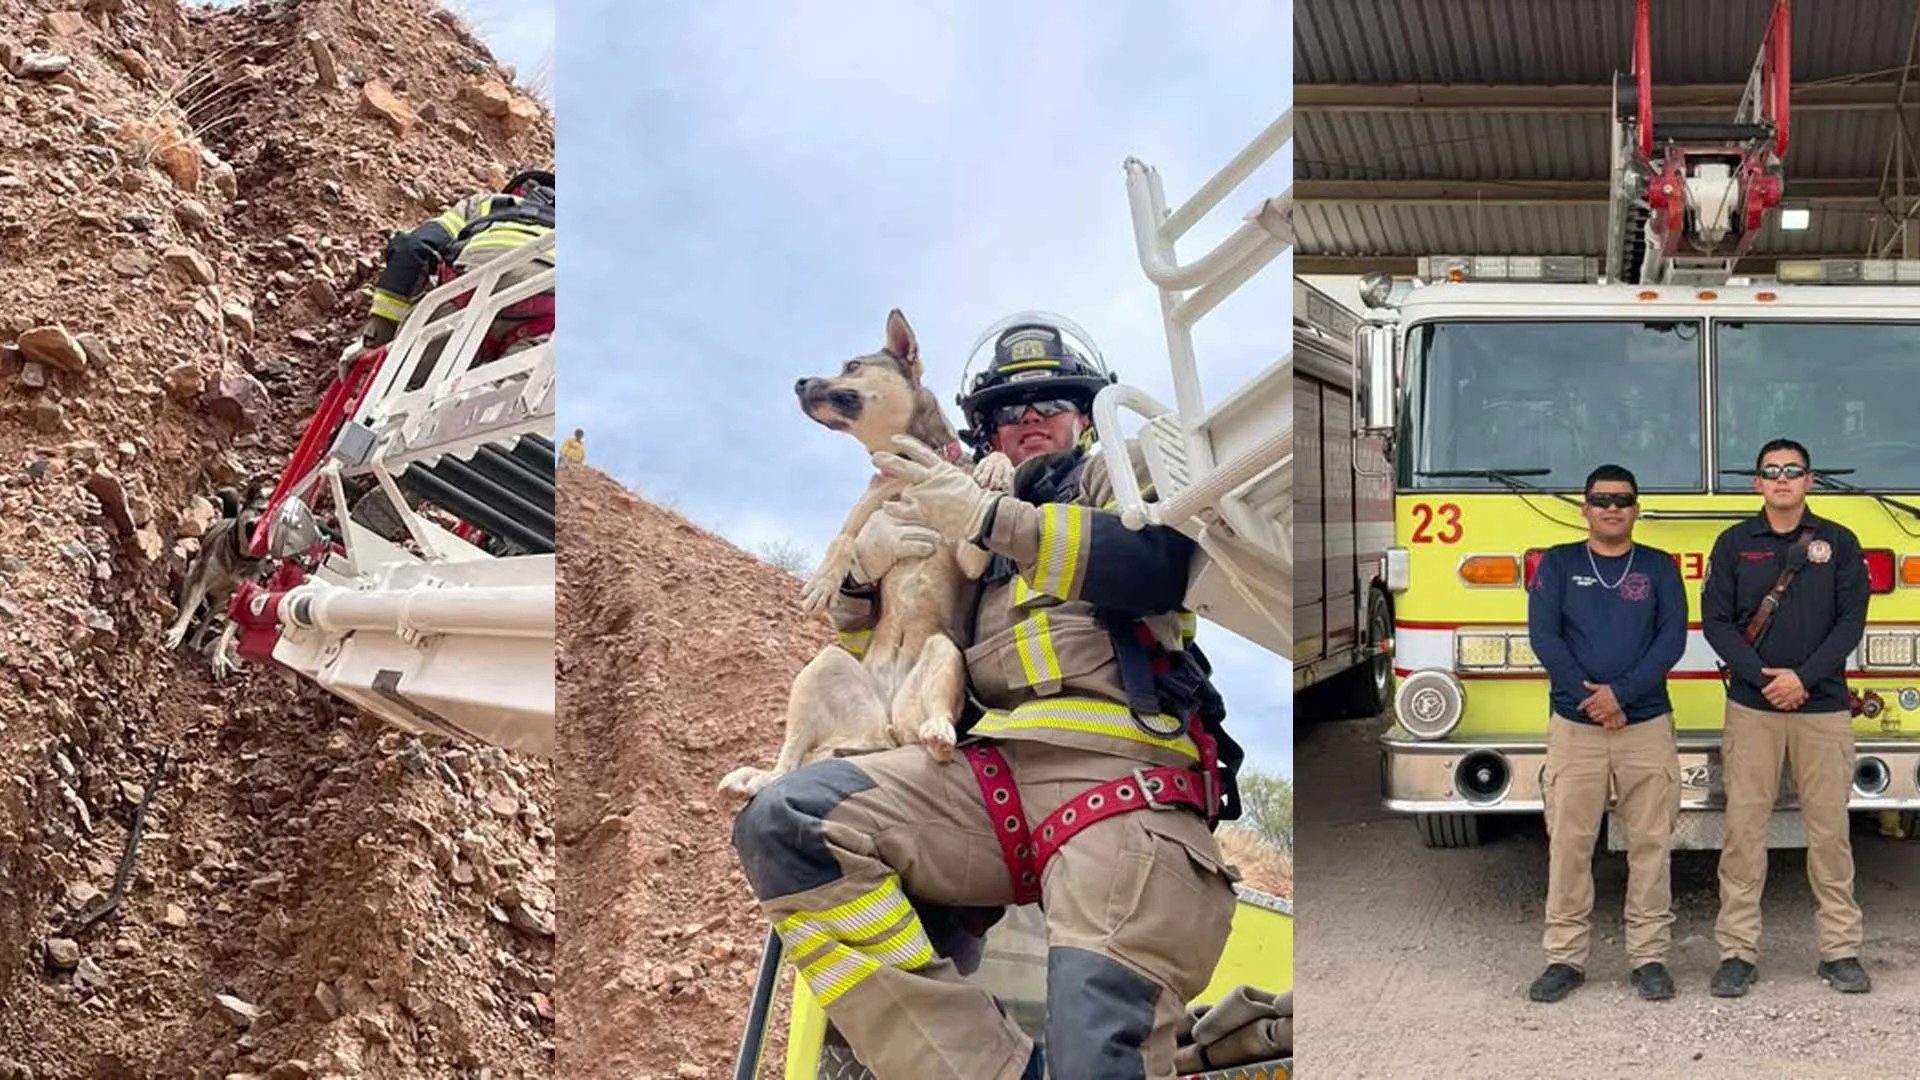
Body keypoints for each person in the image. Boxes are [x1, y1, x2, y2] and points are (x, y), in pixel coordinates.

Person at [729, 314, 1245, 1080]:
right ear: (985, 432)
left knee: (1097, 1051)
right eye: (1008, 412)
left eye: (1050, 405)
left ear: (1084, 414)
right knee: (788, 822)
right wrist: (863, 571)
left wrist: (993, 521)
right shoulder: (946, 496)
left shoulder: (1111, 475)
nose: (1029, 422)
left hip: (1120, 776)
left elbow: (1160, 564)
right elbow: (866, 635)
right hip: (981, 782)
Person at [1702, 438, 1871, 997]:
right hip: (1753, 707)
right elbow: (1718, 624)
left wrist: (1804, 678)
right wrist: (1764, 678)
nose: (1781, 479)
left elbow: (1850, 625)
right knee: (1743, 832)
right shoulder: (1732, 545)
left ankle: (1840, 951)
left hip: (1821, 709)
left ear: (1809, 480)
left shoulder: (1840, 544)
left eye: (1792, 470)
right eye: (1771, 471)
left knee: (1830, 833)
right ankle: (1737, 952)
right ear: (1757, 484)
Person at [1523, 464, 1687, 1003]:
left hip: (1647, 727)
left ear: (1636, 509)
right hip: (1575, 728)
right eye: (1601, 499)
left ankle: (1649, 958)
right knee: (1569, 845)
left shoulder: (1660, 568)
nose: (1612, 508)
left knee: (1650, 844)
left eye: (1622, 500)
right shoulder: (1559, 564)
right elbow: (1545, 638)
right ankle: (1564, 959)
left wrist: (1621, 695)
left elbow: (1670, 643)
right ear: (1585, 509)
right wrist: (1592, 699)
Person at [360, 166, 556, 384]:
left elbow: (413, 247)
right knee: (506, 409)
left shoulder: (487, 204)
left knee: (397, 391)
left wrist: (381, 336)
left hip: (466, 296)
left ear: (517, 190)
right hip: (545, 308)